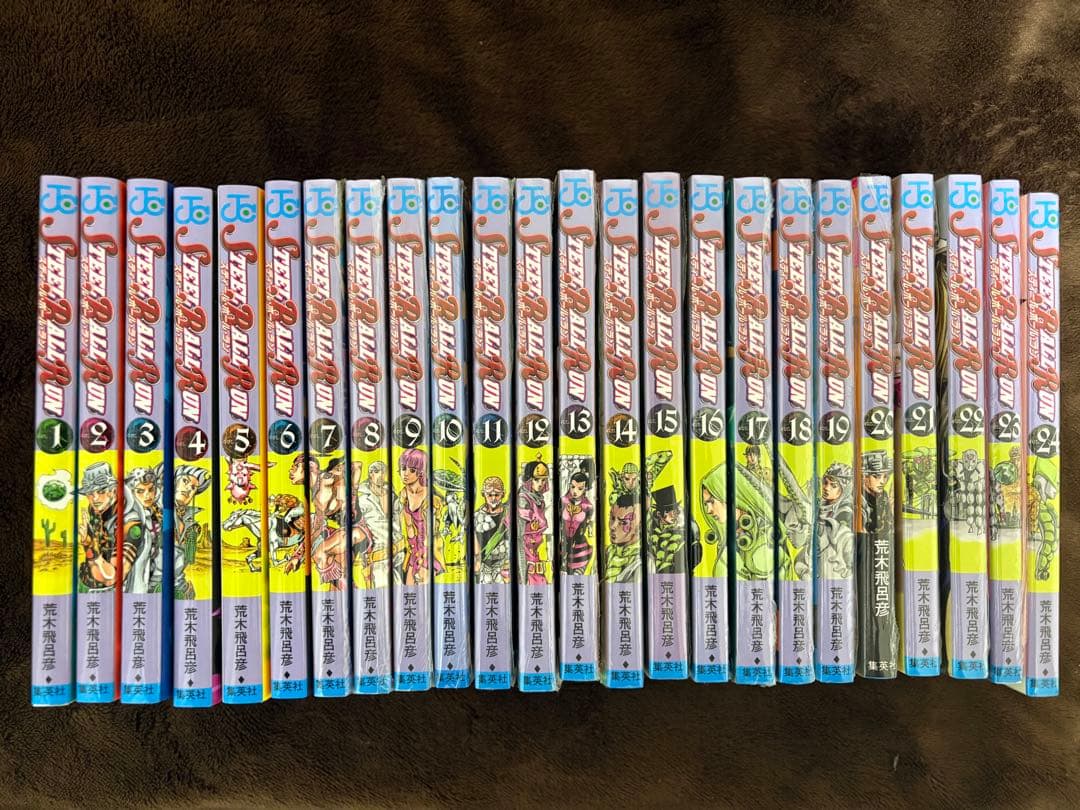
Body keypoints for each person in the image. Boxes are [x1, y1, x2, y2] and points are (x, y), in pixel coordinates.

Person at [474, 476, 510, 584]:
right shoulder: (477, 516)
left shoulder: (509, 514)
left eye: (497, 495)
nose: (493, 498)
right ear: (483, 494)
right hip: (485, 566)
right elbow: (475, 545)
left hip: (505, 566)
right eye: (489, 495)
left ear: (503, 494)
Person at [560, 469, 594, 574]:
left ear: (585, 489)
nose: (575, 491)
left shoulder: (587, 506)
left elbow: (587, 524)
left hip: (579, 545)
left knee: (578, 571)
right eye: (573, 487)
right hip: (564, 543)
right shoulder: (563, 501)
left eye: (580, 488)